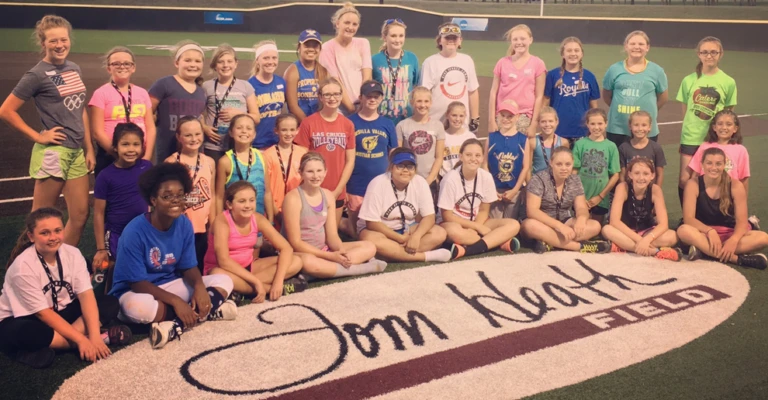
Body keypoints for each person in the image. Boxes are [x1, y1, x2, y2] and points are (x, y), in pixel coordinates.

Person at [109, 163, 238, 350]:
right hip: (135, 292)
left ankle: (174, 325)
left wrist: (199, 287)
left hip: (169, 284)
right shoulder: (134, 231)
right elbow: (137, 283)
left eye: (180, 195)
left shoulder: (184, 223)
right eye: (167, 196)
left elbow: (188, 266)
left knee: (224, 280)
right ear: (153, 200)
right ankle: (207, 311)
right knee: (137, 308)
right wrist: (176, 301)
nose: (175, 201)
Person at [0, 15, 94, 246]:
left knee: (80, 215)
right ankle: (23, 261)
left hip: (76, 153)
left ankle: (63, 260)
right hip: (55, 152)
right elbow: (6, 110)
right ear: (43, 43)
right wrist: (38, 136)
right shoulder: (36, 75)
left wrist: (89, 148)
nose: (60, 45)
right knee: (40, 220)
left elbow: (79, 108)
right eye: (53, 41)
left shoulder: (73, 68)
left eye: (63, 39)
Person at [0, 208, 131, 369]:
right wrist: (81, 340)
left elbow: (86, 295)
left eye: (57, 230)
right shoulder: (22, 267)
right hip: (25, 318)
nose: (53, 237)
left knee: (109, 303)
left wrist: (95, 337)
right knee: (25, 332)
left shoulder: (73, 254)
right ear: (31, 236)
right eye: (45, 233)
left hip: (58, 312)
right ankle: (81, 341)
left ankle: (54, 345)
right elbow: (42, 314)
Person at [283, 152, 386, 279]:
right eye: (310, 171)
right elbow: (295, 242)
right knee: (308, 262)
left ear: (325, 172)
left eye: (319, 171)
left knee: (369, 247)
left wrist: (341, 251)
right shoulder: (293, 198)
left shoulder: (328, 195)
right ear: (301, 173)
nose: (315, 176)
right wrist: (330, 256)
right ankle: (362, 269)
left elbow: (332, 235)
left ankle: (322, 271)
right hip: (302, 253)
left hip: (325, 249)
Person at [204, 181, 306, 303]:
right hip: (223, 270)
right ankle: (270, 289)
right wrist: (256, 282)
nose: (248, 205)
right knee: (219, 275)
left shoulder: (257, 218)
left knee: (296, 261)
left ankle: (241, 290)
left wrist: (278, 280)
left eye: (251, 200)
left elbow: (286, 248)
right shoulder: (222, 221)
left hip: (249, 267)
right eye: (242, 201)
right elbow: (223, 261)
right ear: (229, 204)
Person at [677, 148, 767, 269]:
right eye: (709, 163)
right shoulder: (693, 184)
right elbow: (688, 219)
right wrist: (710, 231)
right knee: (683, 230)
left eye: (718, 164)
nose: (714, 168)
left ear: (725, 165)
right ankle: (736, 259)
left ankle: (703, 251)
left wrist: (734, 240)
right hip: (703, 233)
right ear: (702, 164)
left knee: (763, 238)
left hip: (728, 233)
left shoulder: (735, 186)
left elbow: (741, 222)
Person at [358, 148, 451, 262]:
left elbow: (429, 217)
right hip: (382, 230)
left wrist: (416, 236)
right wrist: (400, 238)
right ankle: (425, 256)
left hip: (407, 229)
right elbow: (372, 223)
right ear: (391, 167)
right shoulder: (377, 183)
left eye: (410, 167)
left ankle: (389, 254)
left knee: (439, 233)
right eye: (400, 166)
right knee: (370, 239)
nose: (406, 170)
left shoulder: (420, 182)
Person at [676, 36, 737, 205]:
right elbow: (685, 112)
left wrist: (722, 137)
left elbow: (728, 114)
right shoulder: (689, 80)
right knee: (685, 179)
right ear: (699, 54)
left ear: (721, 54)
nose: (709, 56)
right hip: (691, 137)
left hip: (713, 139)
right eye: (704, 52)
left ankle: (705, 215)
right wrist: (684, 136)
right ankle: (687, 215)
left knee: (710, 179)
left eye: (713, 52)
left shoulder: (728, 82)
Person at [438, 139, 521, 258]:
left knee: (514, 225)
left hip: (479, 220)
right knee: (455, 233)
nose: (473, 159)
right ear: (461, 157)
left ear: (482, 158)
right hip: (455, 223)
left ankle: (467, 250)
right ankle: (497, 242)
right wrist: (477, 228)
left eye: (477, 155)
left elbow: (483, 210)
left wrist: (476, 228)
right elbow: (447, 216)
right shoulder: (450, 179)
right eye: (468, 155)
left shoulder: (486, 177)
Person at [521, 147, 609, 254]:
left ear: (572, 164)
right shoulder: (538, 179)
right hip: (542, 222)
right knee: (529, 225)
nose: (564, 168)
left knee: (595, 226)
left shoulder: (575, 180)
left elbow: (581, 207)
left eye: (568, 164)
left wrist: (581, 218)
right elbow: (532, 211)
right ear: (551, 163)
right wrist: (559, 226)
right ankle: (579, 246)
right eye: (559, 164)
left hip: (565, 221)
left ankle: (550, 242)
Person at [294, 78, 356, 226]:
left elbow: (350, 161)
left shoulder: (347, 124)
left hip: (337, 188)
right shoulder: (308, 123)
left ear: (341, 96)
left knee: (332, 230)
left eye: (336, 94)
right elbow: (301, 159)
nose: (332, 98)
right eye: (327, 94)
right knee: (311, 231)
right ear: (320, 97)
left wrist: (338, 190)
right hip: (312, 188)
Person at [92, 123, 151, 271]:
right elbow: (98, 213)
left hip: (143, 232)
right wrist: (101, 248)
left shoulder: (147, 167)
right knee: (115, 270)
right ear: (115, 147)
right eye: (125, 144)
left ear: (142, 146)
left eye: (136, 144)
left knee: (143, 269)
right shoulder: (105, 176)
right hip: (116, 235)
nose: (131, 149)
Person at [89, 46, 155, 176]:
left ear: (133, 68)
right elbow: (97, 132)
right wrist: (119, 154)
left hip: (139, 155)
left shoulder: (142, 93)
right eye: (116, 64)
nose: (122, 67)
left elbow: (151, 127)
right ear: (109, 68)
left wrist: (147, 157)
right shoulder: (101, 93)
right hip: (110, 157)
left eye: (126, 63)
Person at [344, 81, 397, 237]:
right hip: (356, 182)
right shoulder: (350, 122)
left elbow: (393, 153)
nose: (372, 100)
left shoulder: (387, 124)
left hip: (380, 182)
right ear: (361, 98)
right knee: (355, 231)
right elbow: (344, 155)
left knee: (378, 225)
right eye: (368, 96)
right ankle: (342, 225)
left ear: (381, 99)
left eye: (376, 96)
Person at [602, 157, 682, 261]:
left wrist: (647, 239)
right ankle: (654, 251)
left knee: (673, 236)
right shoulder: (622, 187)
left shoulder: (655, 190)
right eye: (636, 173)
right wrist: (640, 240)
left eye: (646, 174)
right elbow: (614, 221)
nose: (641, 178)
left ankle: (623, 246)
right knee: (606, 230)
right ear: (630, 174)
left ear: (652, 176)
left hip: (646, 231)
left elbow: (663, 224)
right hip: (626, 231)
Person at [165, 117, 216, 272]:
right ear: (178, 137)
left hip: (203, 227)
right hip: (180, 226)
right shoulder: (171, 162)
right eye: (188, 135)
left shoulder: (209, 162)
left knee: (200, 264)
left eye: (197, 134)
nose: (194, 139)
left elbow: (212, 195)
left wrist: (213, 223)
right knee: (181, 266)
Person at [602, 31, 668, 147]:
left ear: (647, 47)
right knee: (617, 158)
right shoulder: (614, 69)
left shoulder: (657, 71)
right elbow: (607, 95)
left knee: (644, 159)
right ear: (626, 46)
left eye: (641, 44)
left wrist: (648, 110)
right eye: (632, 44)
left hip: (645, 130)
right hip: (618, 129)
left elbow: (663, 97)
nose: (636, 47)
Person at [201, 44, 260, 164]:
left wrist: (239, 114)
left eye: (229, 61)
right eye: (220, 62)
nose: (225, 65)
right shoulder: (207, 86)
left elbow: (256, 118)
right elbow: (198, 113)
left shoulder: (245, 86)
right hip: (213, 145)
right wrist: (204, 127)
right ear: (215, 65)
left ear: (236, 64)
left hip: (238, 144)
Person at [149, 40, 206, 162]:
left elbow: (200, 117)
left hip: (193, 152)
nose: (193, 65)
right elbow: (147, 111)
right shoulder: (164, 84)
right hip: (167, 150)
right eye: (187, 60)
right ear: (177, 62)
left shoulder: (201, 92)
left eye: (197, 61)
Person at [420, 22, 480, 132]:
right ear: (440, 40)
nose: (451, 40)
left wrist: (475, 119)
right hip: (435, 122)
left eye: (454, 38)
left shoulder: (467, 60)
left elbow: (473, 91)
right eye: (447, 38)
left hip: (460, 123)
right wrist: (422, 119)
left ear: (460, 40)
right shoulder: (430, 62)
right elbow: (424, 93)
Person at [488, 24, 546, 137]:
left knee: (519, 146)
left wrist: (534, 124)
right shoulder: (502, 62)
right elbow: (493, 92)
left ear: (530, 40)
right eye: (515, 39)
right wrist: (491, 121)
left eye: (523, 39)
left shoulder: (538, 63)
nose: (519, 42)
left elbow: (539, 96)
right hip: (503, 114)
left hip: (524, 115)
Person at [215, 114, 272, 222]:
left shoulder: (262, 158)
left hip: (258, 222)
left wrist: (270, 219)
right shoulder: (225, 162)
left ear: (254, 134)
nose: (244, 131)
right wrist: (219, 222)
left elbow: (267, 192)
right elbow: (219, 197)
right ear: (231, 132)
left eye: (249, 128)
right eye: (239, 128)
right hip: (234, 222)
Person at [318, 2, 372, 115]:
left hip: (362, 105)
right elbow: (335, 81)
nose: (350, 27)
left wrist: (363, 103)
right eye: (347, 23)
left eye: (354, 24)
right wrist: (351, 108)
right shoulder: (327, 47)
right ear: (338, 24)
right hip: (339, 107)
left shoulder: (363, 43)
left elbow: (367, 76)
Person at [543, 37, 600, 141]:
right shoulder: (553, 75)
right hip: (557, 132)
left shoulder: (589, 76)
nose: (573, 53)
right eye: (569, 50)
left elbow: (594, 108)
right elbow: (545, 104)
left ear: (582, 54)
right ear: (563, 54)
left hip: (582, 132)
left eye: (576, 50)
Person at [396, 86, 445, 202]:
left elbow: (439, 157)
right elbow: (398, 156)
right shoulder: (402, 125)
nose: (423, 105)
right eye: (419, 101)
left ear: (431, 103)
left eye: (426, 101)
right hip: (408, 179)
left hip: (429, 180)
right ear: (412, 102)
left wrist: (429, 179)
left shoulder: (438, 126)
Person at [572, 109, 620, 221]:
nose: (596, 127)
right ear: (587, 124)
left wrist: (600, 196)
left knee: (597, 226)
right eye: (592, 124)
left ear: (606, 123)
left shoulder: (611, 146)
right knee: (580, 224)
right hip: (581, 196)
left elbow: (615, 175)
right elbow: (574, 171)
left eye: (600, 123)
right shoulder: (580, 144)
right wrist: (578, 196)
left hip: (601, 199)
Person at [262, 114, 308, 229]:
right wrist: (276, 213)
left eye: (292, 130)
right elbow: (266, 189)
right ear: (276, 131)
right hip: (274, 208)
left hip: (297, 207)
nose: (288, 134)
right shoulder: (268, 155)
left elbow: (305, 183)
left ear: (297, 130)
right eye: (284, 130)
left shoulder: (302, 153)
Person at [485, 101, 530, 220]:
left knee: (511, 223)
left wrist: (515, 190)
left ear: (517, 117)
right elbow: (485, 164)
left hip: (514, 190)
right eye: (503, 115)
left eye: (510, 116)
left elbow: (525, 167)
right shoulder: (491, 138)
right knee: (495, 223)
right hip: (495, 189)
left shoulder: (523, 140)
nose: (506, 119)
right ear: (498, 115)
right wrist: (492, 189)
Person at [371, 18, 420, 126]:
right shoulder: (375, 60)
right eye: (393, 36)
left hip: (407, 119)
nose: (397, 40)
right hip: (381, 118)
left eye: (401, 36)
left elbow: (416, 86)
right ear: (384, 37)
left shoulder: (412, 58)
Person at [687, 111, 749, 194]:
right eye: (720, 124)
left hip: (729, 194)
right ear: (714, 127)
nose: (724, 127)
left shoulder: (741, 150)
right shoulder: (704, 147)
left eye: (728, 124)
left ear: (735, 128)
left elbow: (743, 178)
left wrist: (743, 199)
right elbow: (696, 174)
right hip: (705, 193)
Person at [249, 40, 286, 150]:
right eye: (266, 58)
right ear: (257, 61)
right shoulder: (250, 85)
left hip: (277, 143)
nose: (270, 62)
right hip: (257, 144)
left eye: (274, 58)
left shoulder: (281, 82)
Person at [284, 29, 327, 123]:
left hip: (320, 121)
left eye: (315, 46)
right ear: (299, 47)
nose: (311, 49)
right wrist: (309, 124)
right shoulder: (292, 71)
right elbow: (293, 106)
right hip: (299, 123)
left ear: (320, 49)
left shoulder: (323, 71)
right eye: (307, 45)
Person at [618, 110, 666, 184]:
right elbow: (622, 175)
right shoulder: (623, 148)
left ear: (649, 127)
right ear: (630, 126)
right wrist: (624, 189)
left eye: (644, 125)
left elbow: (660, 174)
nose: (640, 129)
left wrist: (657, 189)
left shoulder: (656, 148)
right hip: (630, 190)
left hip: (650, 189)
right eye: (636, 125)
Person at [440, 101, 476, 178]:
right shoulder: (442, 136)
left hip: (466, 178)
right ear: (447, 115)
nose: (457, 119)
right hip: (446, 178)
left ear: (465, 116)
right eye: (454, 115)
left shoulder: (470, 137)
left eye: (461, 116)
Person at [530, 106, 568, 175]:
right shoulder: (533, 142)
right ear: (538, 123)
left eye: (550, 121)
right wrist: (530, 181)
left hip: (556, 179)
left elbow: (566, 166)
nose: (547, 124)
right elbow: (528, 168)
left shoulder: (563, 142)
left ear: (557, 122)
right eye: (543, 122)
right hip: (537, 180)